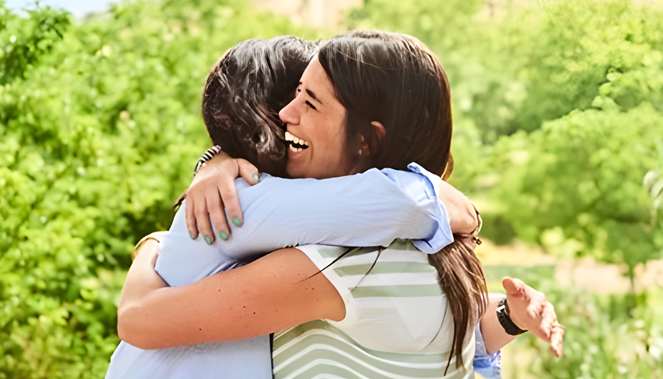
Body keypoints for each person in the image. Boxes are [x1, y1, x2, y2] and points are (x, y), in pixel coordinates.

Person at [112, 33, 563, 378]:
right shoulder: (410, 247)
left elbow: (138, 319)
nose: (288, 115)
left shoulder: (331, 262)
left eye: (308, 102)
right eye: (291, 97)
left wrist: (153, 243)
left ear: (368, 137)